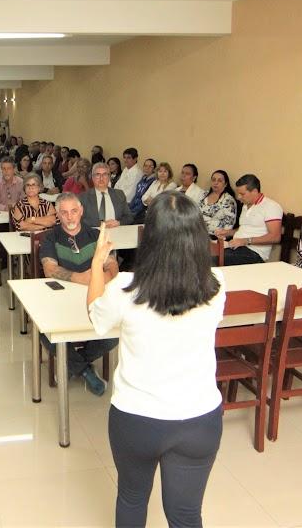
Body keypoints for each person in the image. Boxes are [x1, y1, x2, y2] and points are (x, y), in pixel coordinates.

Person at [86, 192, 224, 527]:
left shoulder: (125, 290)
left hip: (136, 419)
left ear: (147, 237)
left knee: (132, 500)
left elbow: (96, 316)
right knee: (186, 514)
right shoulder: (218, 288)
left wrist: (96, 264)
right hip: (200, 419)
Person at [39, 192, 119, 395]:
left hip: (96, 297)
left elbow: (112, 265)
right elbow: (50, 269)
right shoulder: (51, 237)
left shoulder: (95, 236)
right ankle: (84, 370)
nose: (70, 217)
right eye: (64, 213)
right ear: (58, 214)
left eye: (74, 211)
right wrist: (82, 278)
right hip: (61, 301)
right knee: (45, 333)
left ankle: (73, 364)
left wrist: (102, 279)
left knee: (115, 333)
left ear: (81, 211)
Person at [216, 174, 283, 265]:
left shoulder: (271, 206)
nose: (239, 197)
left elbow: (275, 237)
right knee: (204, 250)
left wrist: (245, 241)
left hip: (254, 253)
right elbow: (244, 229)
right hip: (236, 247)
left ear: (255, 191)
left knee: (215, 256)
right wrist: (227, 232)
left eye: (242, 194)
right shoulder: (245, 205)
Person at [79, 162, 132, 229]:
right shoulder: (83, 197)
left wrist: (118, 223)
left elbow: (129, 217)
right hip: (93, 234)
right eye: (97, 175)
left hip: (117, 231)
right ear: (92, 177)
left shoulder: (119, 194)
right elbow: (79, 220)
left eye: (105, 175)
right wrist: (102, 224)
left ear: (109, 177)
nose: (101, 178)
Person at [199, 170, 237, 235]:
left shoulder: (228, 201)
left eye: (219, 181)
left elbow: (228, 227)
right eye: (213, 180)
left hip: (214, 235)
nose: (215, 183)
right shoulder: (204, 194)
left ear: (225, 184)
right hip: (196, 231)